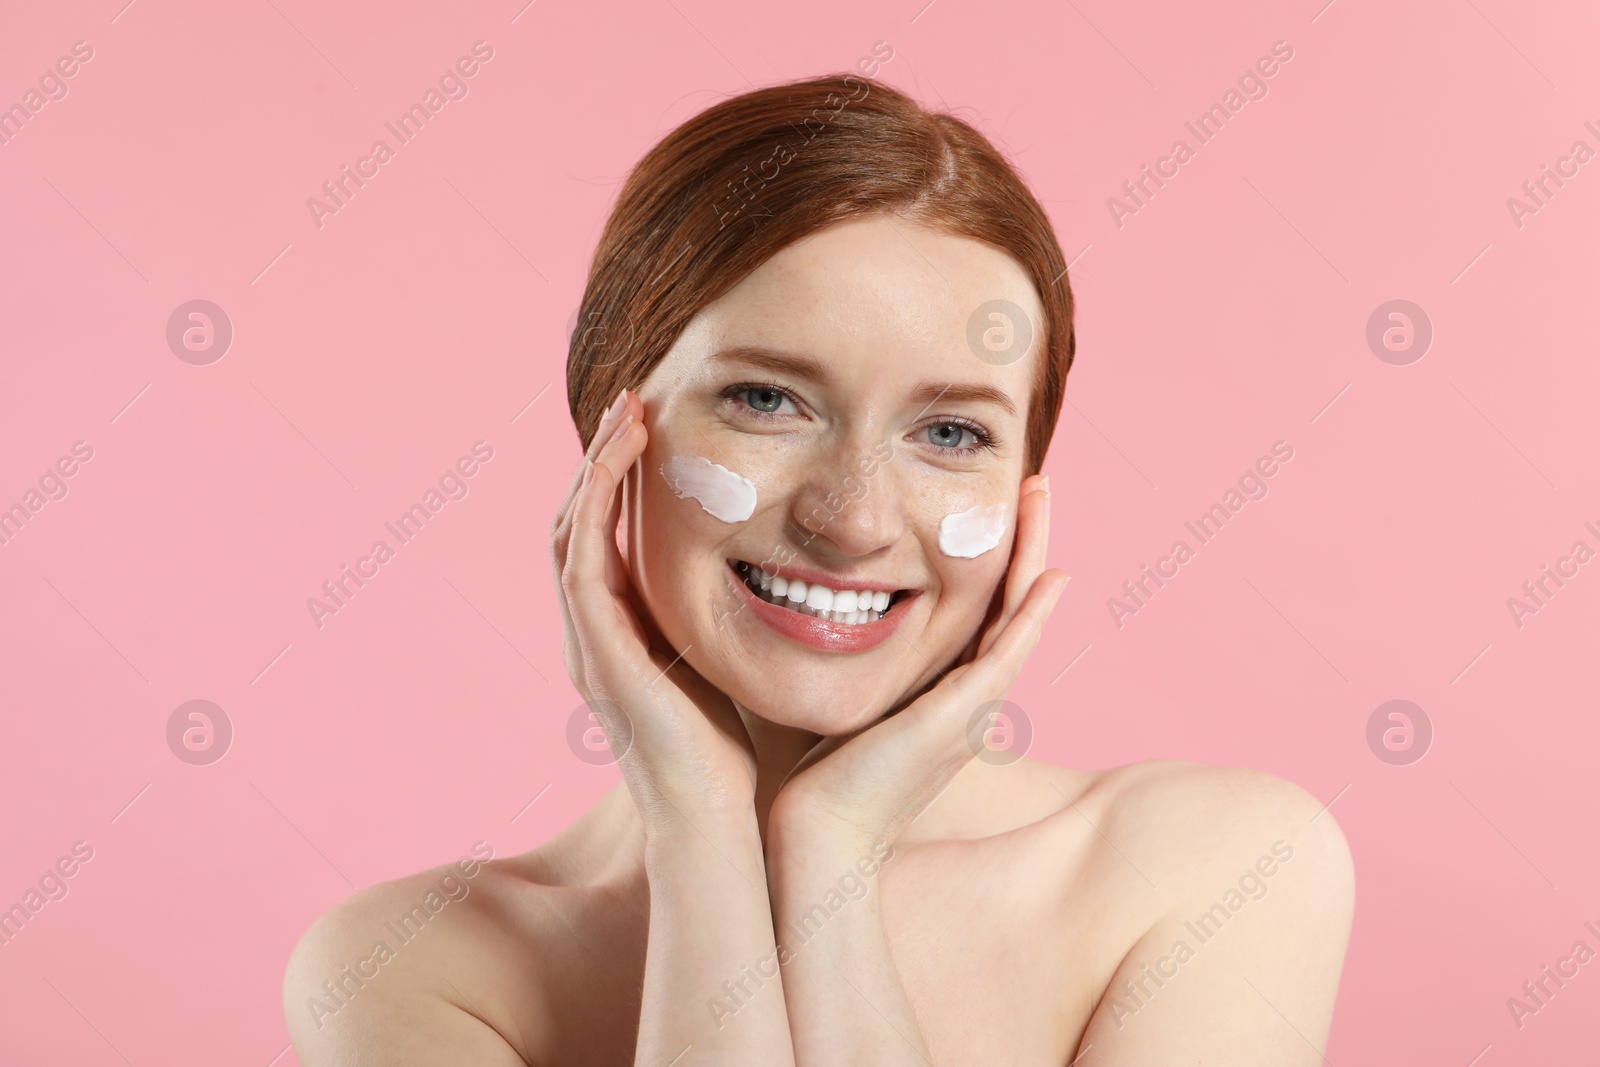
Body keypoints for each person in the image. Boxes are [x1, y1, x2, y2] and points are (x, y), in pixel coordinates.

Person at [284, 72, 1354, 1065]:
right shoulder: (411, 970)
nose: (852, 520)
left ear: (1030, 484)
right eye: (764, 400)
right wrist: (700, 829)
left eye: (949, 433)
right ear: (610, 431)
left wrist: (830, 855)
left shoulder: (1212, 872)